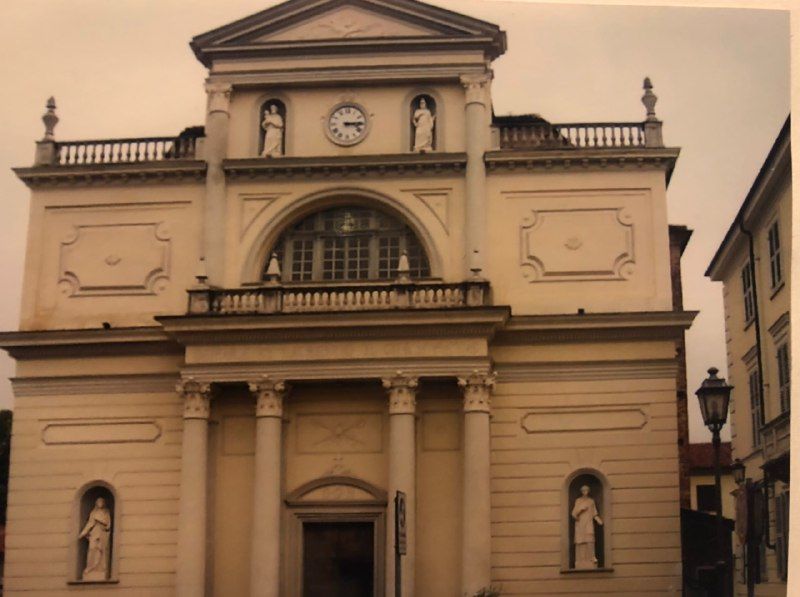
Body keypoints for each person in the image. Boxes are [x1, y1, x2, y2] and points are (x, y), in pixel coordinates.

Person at [79, 497, 112, 580]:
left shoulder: (106, 512)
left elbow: (108, 524)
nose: (100, 503)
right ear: (96, 503)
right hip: (94, 533)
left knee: (100, 550)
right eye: (98, 502)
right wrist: (83, 533)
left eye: (101, 502)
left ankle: (100, 568)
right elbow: (90, 524)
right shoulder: (93, 513)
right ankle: (90, 568)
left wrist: (99, 520)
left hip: (102, 534)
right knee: (92, 549)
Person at [572, 484, 603, 569]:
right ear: (581, 491)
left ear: (588, 491)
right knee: (581, 541)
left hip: (589, 523)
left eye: (586, 490)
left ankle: (592, 557)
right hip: (580, 524)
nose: (585, 492)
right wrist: (580, 510)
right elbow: (573, 514)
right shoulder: (578, 501)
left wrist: (598, 520)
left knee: (590, 539)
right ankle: (581, 560)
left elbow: (594, 513)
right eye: (583, 490)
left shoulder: (591, 501)